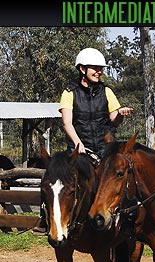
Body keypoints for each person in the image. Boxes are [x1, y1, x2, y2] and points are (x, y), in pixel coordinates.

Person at [32, 47, 133, 235]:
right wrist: (79, 143)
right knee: (49, 177)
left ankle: (128, 223)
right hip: (79, 150)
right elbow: (67, 123)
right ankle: (44, 219)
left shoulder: (107, 91)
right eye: (94, 68)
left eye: (101, 68)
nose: (99, 71)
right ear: (82, 69)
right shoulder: (69, 92)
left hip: (105, 150)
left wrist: (121, 114)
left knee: (124, 177)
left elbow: (114, 121)